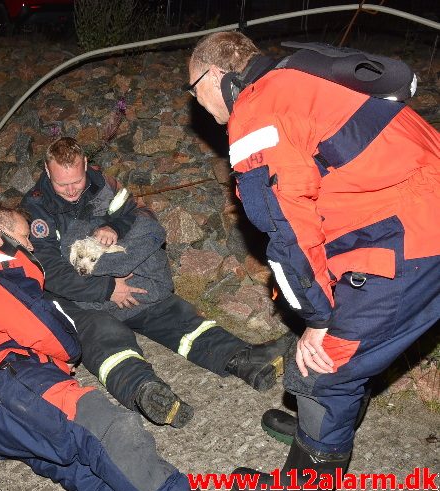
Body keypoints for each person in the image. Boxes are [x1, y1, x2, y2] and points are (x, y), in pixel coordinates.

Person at [185, 31, 440, 491]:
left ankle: (310, 475)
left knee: (320, 366)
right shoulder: (300, 80)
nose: (195, 101)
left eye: (193, 87)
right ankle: (322, 429)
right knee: (349, 346)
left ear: (217, 76)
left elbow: (285, 229)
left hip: (412, 235)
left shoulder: (257, 111)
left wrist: (319, 318)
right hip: (415, 214)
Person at [20, 136, 295, 429]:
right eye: (63, 185)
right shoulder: (35, 210)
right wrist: (108, 288)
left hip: (123, 280)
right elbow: (51, 273)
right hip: (78, 296)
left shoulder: (104, 184)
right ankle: (145, 391)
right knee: (103, 335)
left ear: (85, 165)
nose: (72, 190)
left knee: (171, 311)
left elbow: (142, 216)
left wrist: (114, 226)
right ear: (48, 174)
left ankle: (242, 358)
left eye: (77, 180)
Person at [0, 202, 195, 491]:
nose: (31, 244)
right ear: (1, 236)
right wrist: (68, 351)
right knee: (106, 427)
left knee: (80, 470)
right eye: (25, 237)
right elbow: (39, 324)